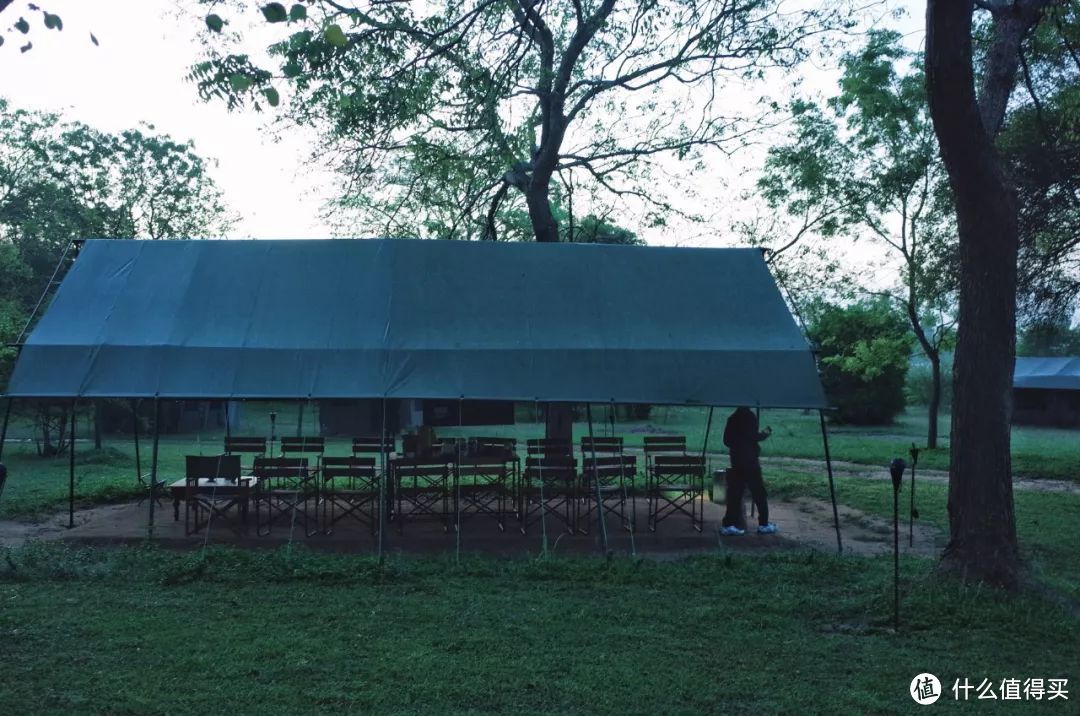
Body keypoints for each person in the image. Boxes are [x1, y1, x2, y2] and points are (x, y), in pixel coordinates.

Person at [720, 406, 777, 536]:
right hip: (750, 461)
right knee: (759, 493)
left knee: (735, 493)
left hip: (736, 460)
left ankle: (728, 524)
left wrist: (738, 444)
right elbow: (753, 437)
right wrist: (764, 434)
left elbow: (726, 441)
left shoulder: (732, 418)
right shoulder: (750, 417)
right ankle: (764, 524)